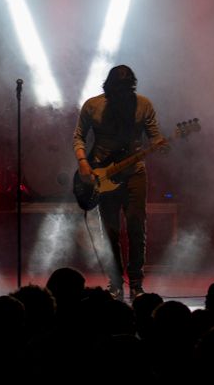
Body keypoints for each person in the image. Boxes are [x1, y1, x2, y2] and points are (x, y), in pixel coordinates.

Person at [73, 65, 166, 301]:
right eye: (119, 90)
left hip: (134, 173)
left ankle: (136, 283)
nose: (123, 95)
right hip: (102, 175)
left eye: (127, 90)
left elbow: (154, 135)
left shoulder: (143, 105)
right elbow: (79, 136)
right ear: (109, 87)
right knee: (111, 231)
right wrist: (84, 163)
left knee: (137, 227)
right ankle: (115, 283)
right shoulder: (93, 105)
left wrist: (161, 144)